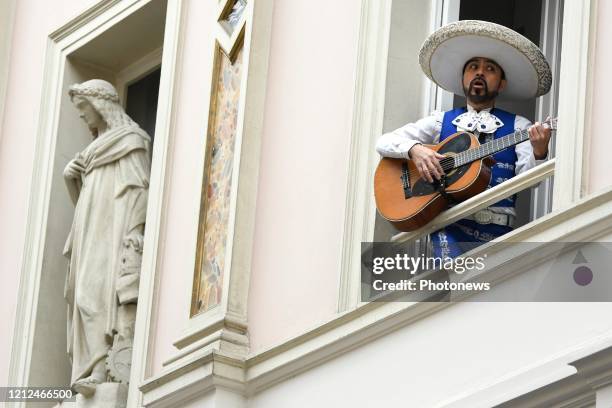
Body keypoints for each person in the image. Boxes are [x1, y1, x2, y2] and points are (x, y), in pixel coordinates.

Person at [376, 20, 552, 258]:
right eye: (473, 67)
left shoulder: (519, 126)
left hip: (497, 232)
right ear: (464, 79)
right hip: (447, 227)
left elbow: (530, 182)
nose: (479, 72)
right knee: (455, 283)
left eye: (490, 69)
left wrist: (540, 152)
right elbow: (384, 142)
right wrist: (416, 150)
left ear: (501, 84)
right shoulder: (440, 121)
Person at [63, 79, 151, 396]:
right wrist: (71, 178)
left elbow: (139, 188)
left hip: (111, 233)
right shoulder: (90, 153)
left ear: (101, 105)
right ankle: (86, 369)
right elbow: (84, 203)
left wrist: (134, 232)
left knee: (95, 294)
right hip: (88, 233)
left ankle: (100, 368)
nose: (83, 117)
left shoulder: (130, 140)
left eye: (84, 109)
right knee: (80, 292)